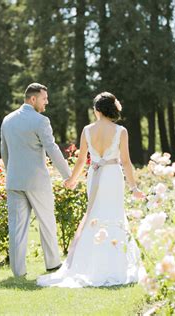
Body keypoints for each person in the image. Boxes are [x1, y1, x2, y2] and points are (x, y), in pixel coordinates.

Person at [37, 92, 145, 288]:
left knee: (95, 215)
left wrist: (71, 179)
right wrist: (134, 187)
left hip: (95, 175)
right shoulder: (121, 131)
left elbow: (81, 160)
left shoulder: (87, 130)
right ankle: (115, 265)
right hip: (112, 175)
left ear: (97, 110)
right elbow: (127, 162)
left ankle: (92, 265)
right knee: (114, 215)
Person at [0, 83, 71, 277]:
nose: (47, 101)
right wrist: (68, 175)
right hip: (37, 182)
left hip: (14, 181)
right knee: (47, 222)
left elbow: (4, 152)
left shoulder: (7, 120)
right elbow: (52, 149)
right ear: (33, 99)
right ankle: (53, 264)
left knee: (16, 228)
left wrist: (12, 172)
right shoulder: (41, 121)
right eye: (44, 98)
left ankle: (18, 272)